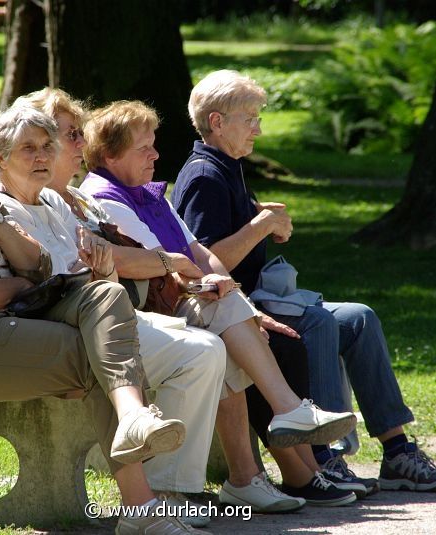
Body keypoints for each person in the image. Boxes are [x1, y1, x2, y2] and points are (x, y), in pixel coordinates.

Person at [0, 96, 206, 535]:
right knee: (95, 352)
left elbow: (38, 265)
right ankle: (142, 509)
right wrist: (20, 285)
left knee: (105, 293)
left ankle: (132, 419)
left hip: (13, 323)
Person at [172, 69, 436, 493]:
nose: (258, 128)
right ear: (217, 122)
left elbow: (237, 231)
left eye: (258, 117)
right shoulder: (203, 176)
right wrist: (262, 225)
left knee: (359, 317)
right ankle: (325, 455)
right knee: (319, 322)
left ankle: (397, 451)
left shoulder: (228, 166)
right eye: (249, 118)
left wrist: (263, 220)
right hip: (235, 306)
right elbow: (208, 264)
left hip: (261, 296)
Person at [79, 99, 361, 510]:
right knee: (239, 332)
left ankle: (257, 470)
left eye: (154, 144)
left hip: (188, 300)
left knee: (239, 329)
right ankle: (279, 446)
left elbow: (195, 250)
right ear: (110, 155)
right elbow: (163, 268)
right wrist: (218, 288)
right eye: (145, 148)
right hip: (149, 311)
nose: (156, 154)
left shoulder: (149, 193)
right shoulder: (107, 198)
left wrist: (224, 283)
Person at [0, 102, 229, 528]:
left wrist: (103, 268)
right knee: (198, 349)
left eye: (47, 146)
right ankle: (150, 492)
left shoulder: (54, 202)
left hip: (99, 313)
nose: (43, 156)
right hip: (56, 328)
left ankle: (169, 488)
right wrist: (105, 274)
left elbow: (97, 274)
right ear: (0, 157)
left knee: (205, 350)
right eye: (29, 149)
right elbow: (38, 278)